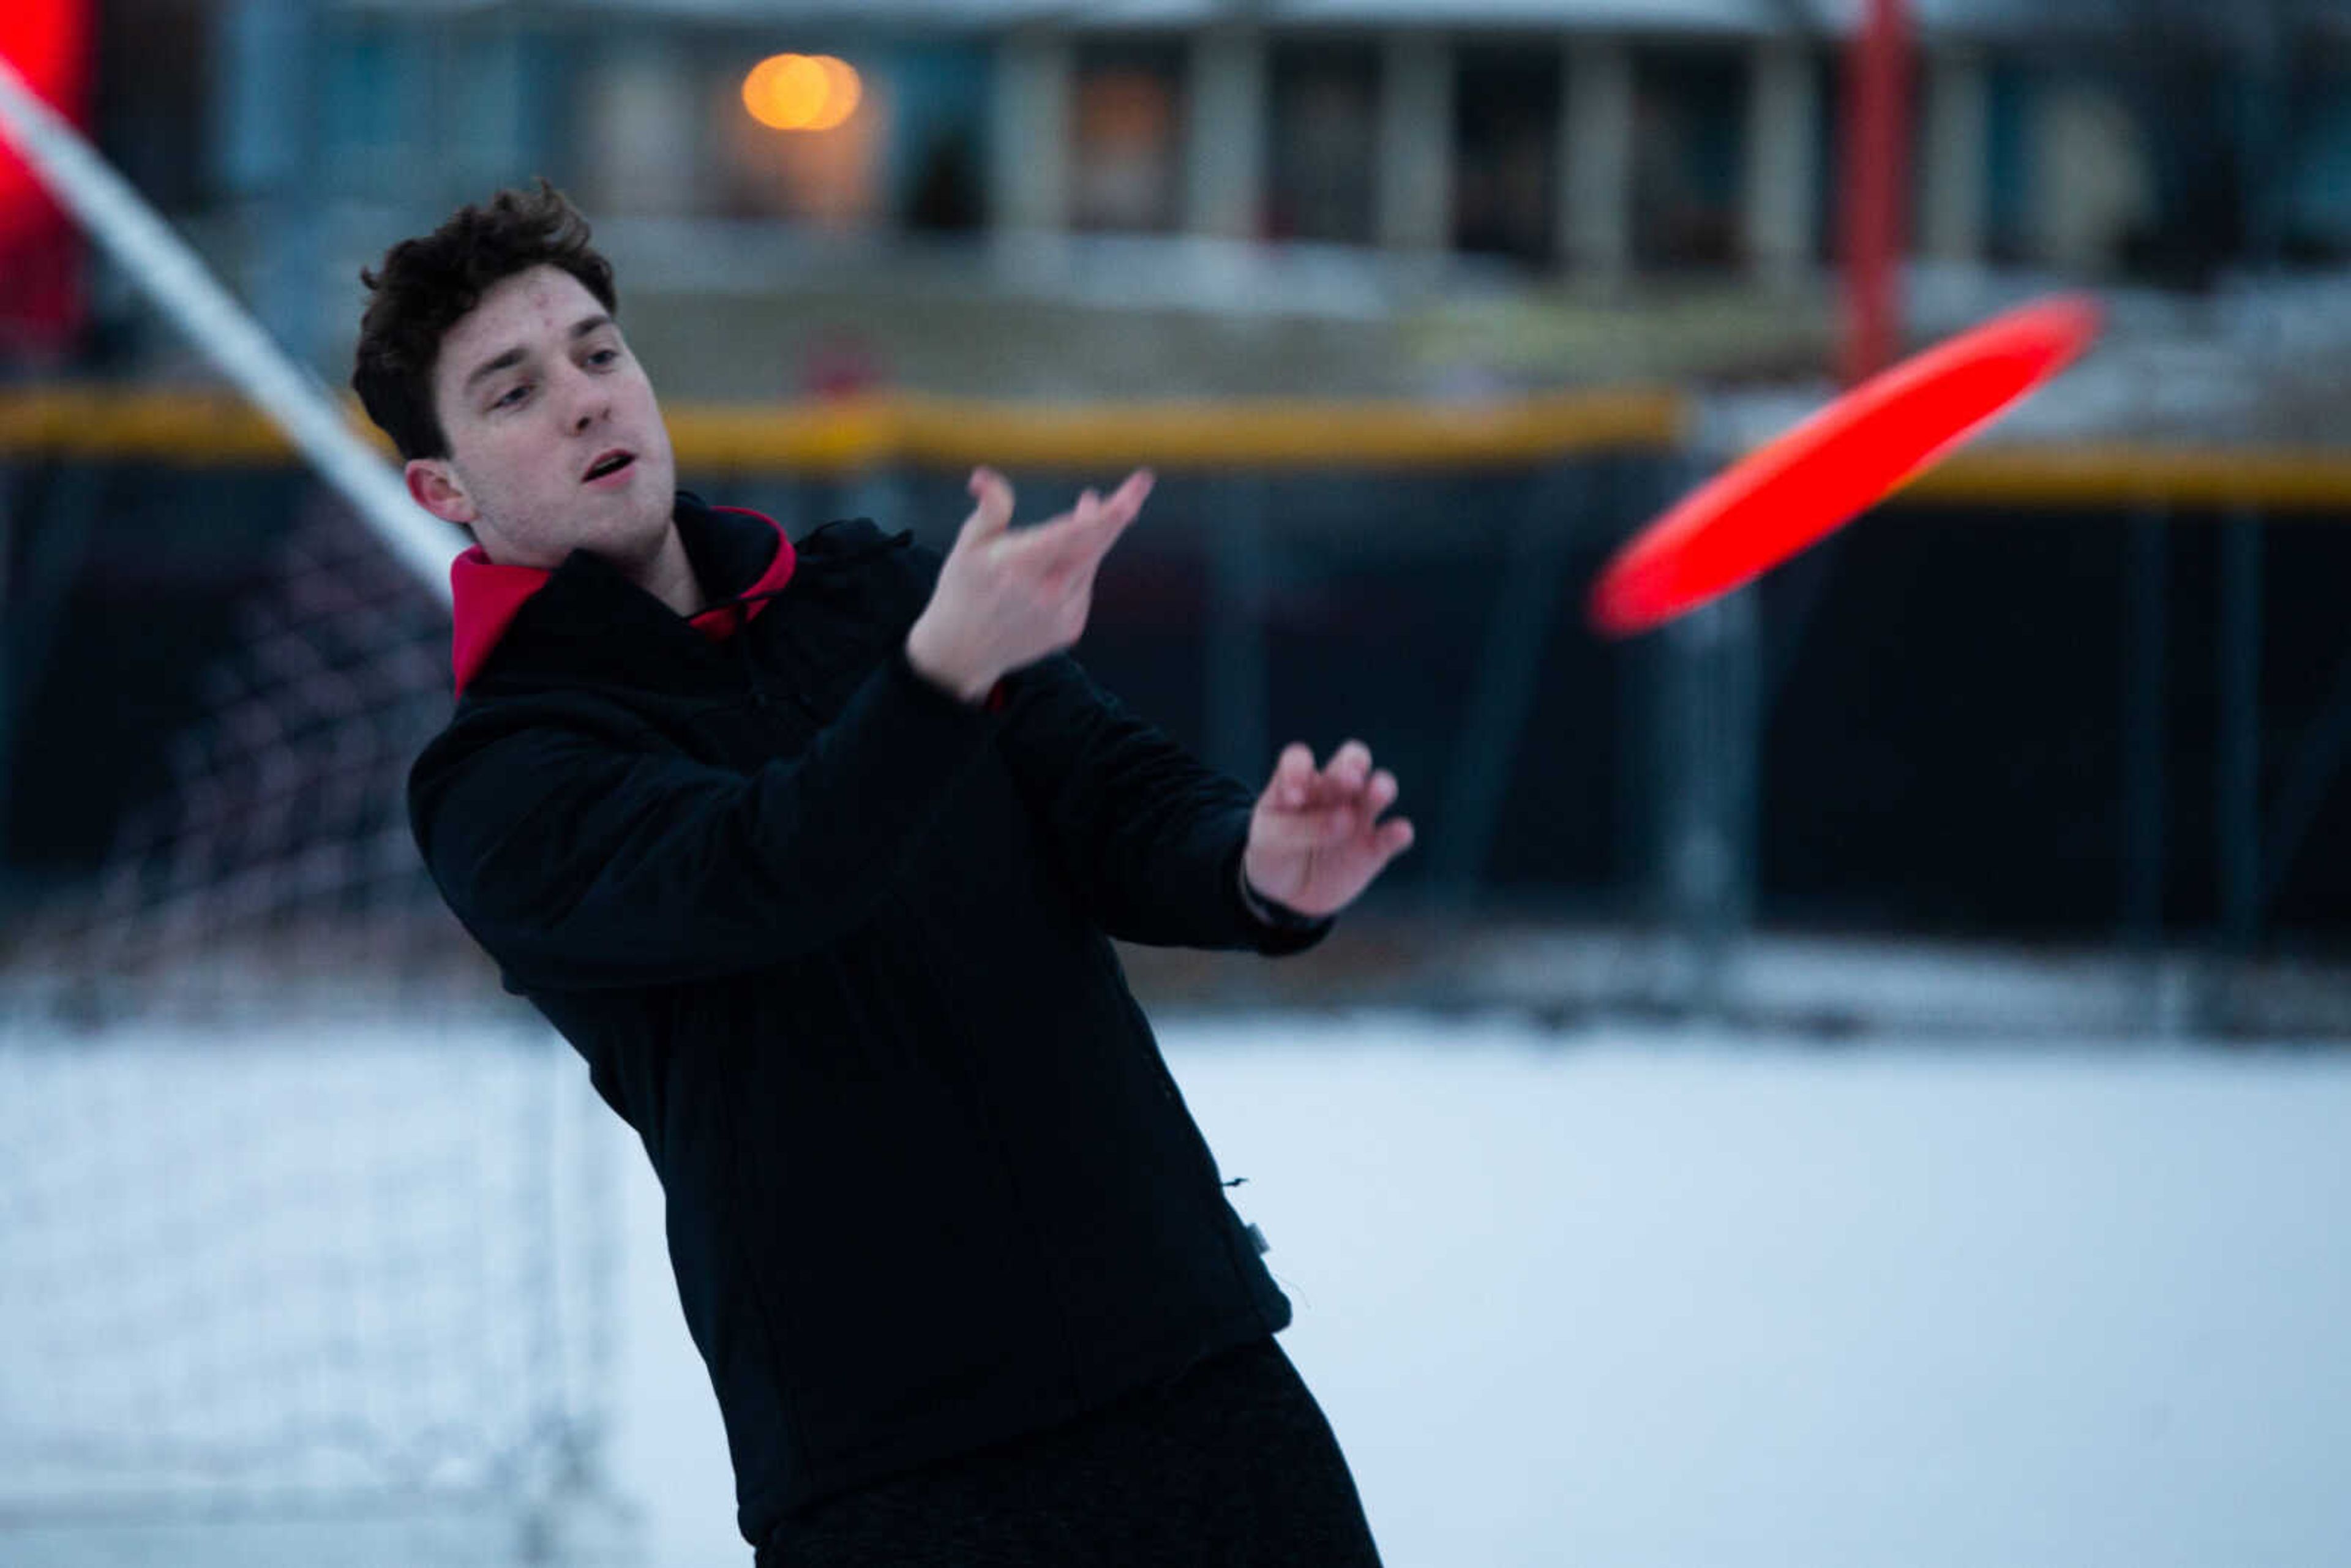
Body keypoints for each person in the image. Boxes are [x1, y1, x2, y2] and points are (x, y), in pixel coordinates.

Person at [358, 182, 1413, 1566]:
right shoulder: (500, 781)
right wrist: (936, 680)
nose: (585, 401)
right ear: (444, 488)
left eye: (600, 354)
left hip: (1189, 1364)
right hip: (893, 1475)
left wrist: (1260, 864)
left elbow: (1116, 806)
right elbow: (764, 869)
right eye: (513, 391)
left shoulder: (873, 594)